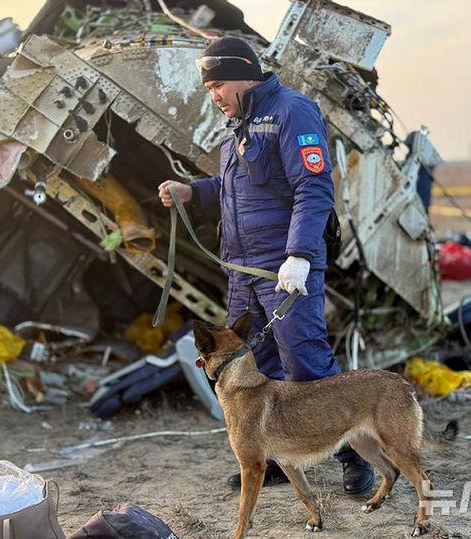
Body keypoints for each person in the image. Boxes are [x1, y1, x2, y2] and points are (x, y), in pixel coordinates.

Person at [158, 37, 373, 495]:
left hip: (284, 267)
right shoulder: (236, 126)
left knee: (306, 361)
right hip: (243, 271)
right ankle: (274, 458)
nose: (214, 95)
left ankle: (354, 457)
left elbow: (313, 188)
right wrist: (193, 191)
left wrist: (298, 255)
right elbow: (235, 188)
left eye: (218, 84)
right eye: (209, 88)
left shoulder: (293, 111)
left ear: (244, 74)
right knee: (259, 367)